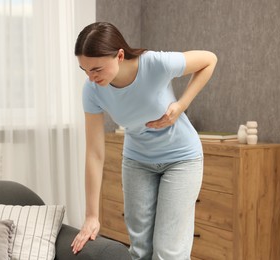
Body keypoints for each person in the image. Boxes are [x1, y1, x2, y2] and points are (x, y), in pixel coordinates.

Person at [71, 22, 217, 260]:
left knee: (167, 253)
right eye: (84, 70)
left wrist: (181, 106)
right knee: (140, 251)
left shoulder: (155, 64)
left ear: (119, 56)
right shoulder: (92, 91)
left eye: (96, 69)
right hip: (137, 161)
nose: (91, 77)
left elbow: (209, 60)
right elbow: (94, 154)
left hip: (181, 158)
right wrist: (91, 216)